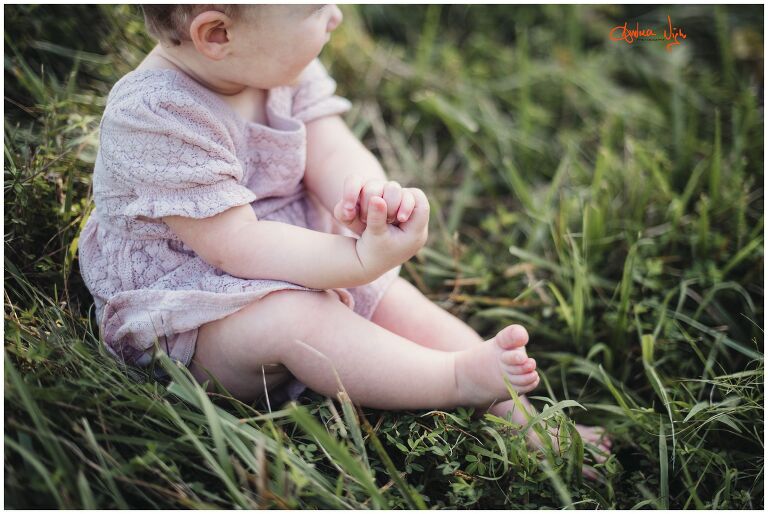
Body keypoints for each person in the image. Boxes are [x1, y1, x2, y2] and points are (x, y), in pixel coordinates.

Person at [78, 4, 610, 465]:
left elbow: (331, 145)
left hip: (294, 249)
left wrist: (368, 196)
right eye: (315, 8)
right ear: (216, 34)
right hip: (196, 315)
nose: (336, 16)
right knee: (296, 317)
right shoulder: (156, 116)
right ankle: (454, 380)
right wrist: (356, 261)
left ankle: (522, 418)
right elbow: (237, 246)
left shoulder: (274, 59)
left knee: (391, 299)